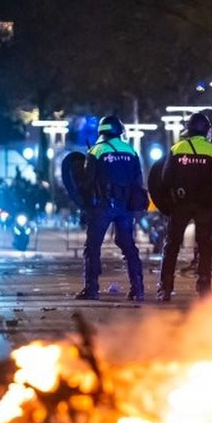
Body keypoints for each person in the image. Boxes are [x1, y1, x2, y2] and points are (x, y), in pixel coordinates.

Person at [157, 112, 212, 301]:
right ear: (206, 130)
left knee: (172, 245)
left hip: (181, 204)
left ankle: (166, 287)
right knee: (205, 246)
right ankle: (204, 287)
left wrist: (172, 199)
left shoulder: (177, 148)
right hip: (204, 206)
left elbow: (165, 178)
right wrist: (210, 197)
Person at [76, 115, 146, 301]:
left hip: (103, 205)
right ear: (119, 130)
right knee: (127, 244)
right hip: (125, 206)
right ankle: (137, 287)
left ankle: (92, 289)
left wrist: (83, 204)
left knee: (93, 246)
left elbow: (87, 183)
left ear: (101, 131)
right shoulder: (130, 150)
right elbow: (138, 180)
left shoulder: (96, 151)